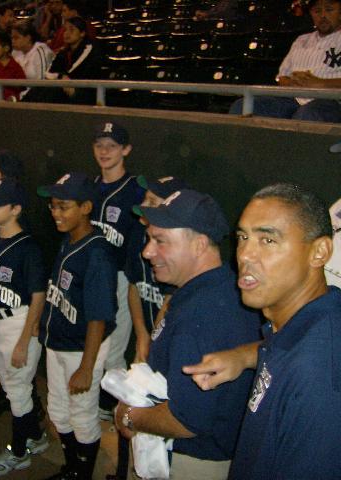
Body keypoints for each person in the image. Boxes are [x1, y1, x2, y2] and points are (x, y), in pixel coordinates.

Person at [182, 183, 340, 479]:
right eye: (243, 237)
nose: (245, 255)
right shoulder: (305, 322)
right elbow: (289, 349)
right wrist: (243, 356)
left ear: (319, 252)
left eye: (267, 240)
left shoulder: (321, 376)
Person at [114, 189, 260, 480]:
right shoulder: (221, 288)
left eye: (160, 241)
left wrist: (128, 416)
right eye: (149, 239)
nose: (147, 251)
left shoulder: (202, 315)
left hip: (189, 461)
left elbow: (188, 419)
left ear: (199, 245)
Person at [37, 172, 118, 480]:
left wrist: (86, 366)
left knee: (82, 415)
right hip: (59, 341)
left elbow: (98, 316)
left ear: (86, 207)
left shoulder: (97, 253)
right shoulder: (69, 239)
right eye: (53, 206)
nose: (56, 213)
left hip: (83, 347)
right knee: (58, 410)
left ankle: (81, 474)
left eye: (63, 206)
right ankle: (71, 467)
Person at [106, 174, 181, 480]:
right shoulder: (140, 237)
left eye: (153, 201)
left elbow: (170, 303)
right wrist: (140, 335)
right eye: (145, 198)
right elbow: (135, 287)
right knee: (128, 411)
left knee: (158, 422)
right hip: (147, 340)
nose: (144, 206)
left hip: (169, 350)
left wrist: (151, 344)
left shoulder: (178, 249)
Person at [0, 178, 49, 475]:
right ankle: (36, 436)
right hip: (0, 319)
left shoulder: (28, 247)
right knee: (10, 387)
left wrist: (23, 341)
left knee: (17, 392)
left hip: (21, 322)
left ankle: (19, 453)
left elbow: (38, 296)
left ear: (16, 209)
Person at [89, 122, 145, 422]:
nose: (105, 151)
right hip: (91, 276)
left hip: (121, 278)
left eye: (112, 145)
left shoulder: (136, 190)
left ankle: (112, 406)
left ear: (126, 150)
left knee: (114, 348)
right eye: (100, 145)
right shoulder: (89, 187)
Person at [229, 0, 341, 122]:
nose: (323, 15)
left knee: (308, 114)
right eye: (317, 11)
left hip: (332, 101)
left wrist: (320, 83)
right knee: (242, 106)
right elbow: (282, 77)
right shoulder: (301, 40)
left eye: (329, 10)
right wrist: (293, 82)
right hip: (293, 99)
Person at [11, 20, 55, 84]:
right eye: (12, 38)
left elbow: (43, 82)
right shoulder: (15, 52)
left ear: (28, 38)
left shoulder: (41, 50)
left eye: (16, 38)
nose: (12, 41)